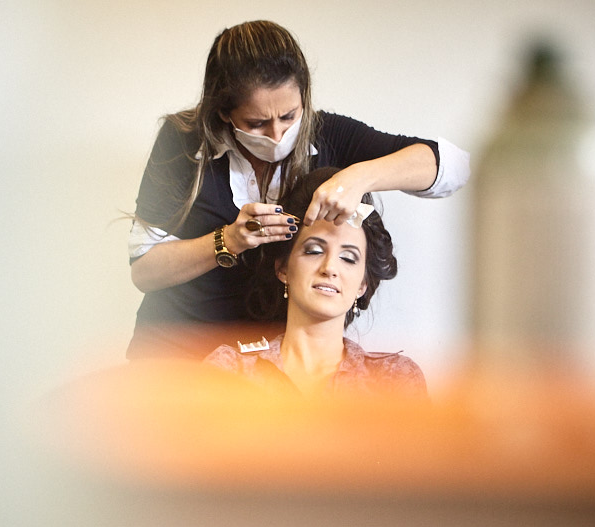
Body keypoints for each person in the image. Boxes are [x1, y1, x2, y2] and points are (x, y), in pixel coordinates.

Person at [128, 20, 469, 359]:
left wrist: (359, 178)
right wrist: (230, 239)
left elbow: (454, 167)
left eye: (289, 116)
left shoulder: (330, 135)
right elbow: (144, 270)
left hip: (271, 368)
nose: (277, 135)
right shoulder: (183, 142)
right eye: (257, 123)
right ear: (224, 113)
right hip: (173, 357)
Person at [204, 167, 427, 397]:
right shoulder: (230, 371)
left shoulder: (394, 377)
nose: (329, 268)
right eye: (314, 251)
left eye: (348, 258)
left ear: (363, 285)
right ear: (283, 268)